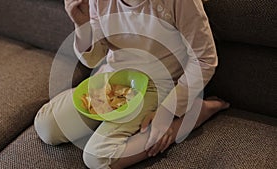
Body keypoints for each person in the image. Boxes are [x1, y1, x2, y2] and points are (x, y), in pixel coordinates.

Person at [34, 0, 230, 168]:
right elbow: (94, 59)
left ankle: (194, 115)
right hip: (113, 78)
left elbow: (204, 59)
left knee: (97, 158)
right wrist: (81, 24)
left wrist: (168, 111)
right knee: (46, 125)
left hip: (158, 84)